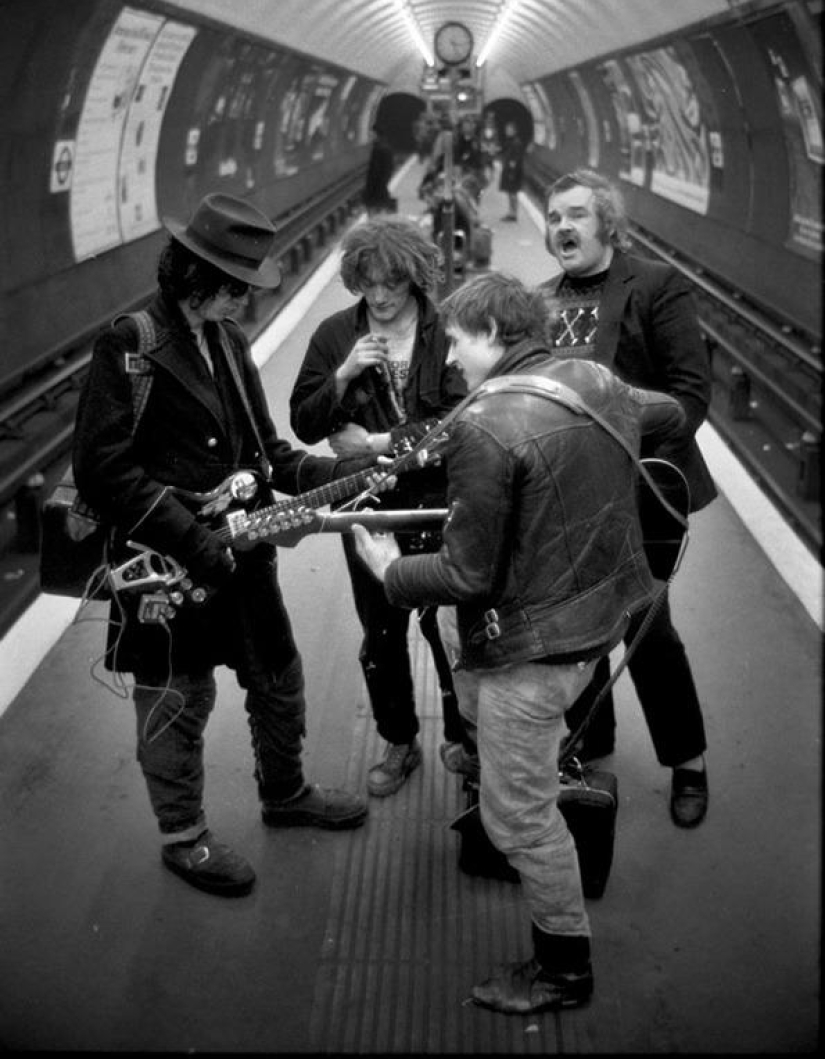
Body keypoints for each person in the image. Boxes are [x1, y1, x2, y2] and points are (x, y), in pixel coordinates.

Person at [352, 272, 685, 1014]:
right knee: (454, 646)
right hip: (596, 622)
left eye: (460, 341)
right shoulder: (595, 379)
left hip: (529, 654)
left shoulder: (483, 422)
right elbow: (665, 416)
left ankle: (563, 968)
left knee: (518, 819)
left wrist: (388, 568)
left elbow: (466, 574)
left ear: (496, 337)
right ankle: (489, 747)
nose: (449, 361)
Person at [72, 193, 372, 899]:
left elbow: (263, 451)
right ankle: (184, 836)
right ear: (194, 275)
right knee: (177, 697)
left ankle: (285, 790)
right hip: (167, 566)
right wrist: (199, 545)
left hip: (241, 554)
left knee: (278, 675)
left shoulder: (228, 342)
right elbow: (104, 470)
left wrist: (335, 474)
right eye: (236, 285)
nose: (244, 299)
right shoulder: (131, 344)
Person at [540, 167, 716, 828]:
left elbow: (689, 395)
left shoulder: (655, 286)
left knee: (647, 630)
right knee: (577, 623)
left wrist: (613, 425)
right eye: (555, 215)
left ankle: (688, 760)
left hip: (643, 489)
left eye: (576, 214)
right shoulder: (539, 301)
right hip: (566, 498)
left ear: (606, 223)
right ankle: (593, 732)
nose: (562, 226)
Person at [289, 216, 469, 797]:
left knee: (451, 628)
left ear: (415, 277)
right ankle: (399, 740)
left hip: (441, 505)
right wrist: (342, 376)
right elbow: (304, 422)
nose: (382, 296)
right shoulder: (336, 336)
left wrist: (376, 443)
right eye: (369, 284)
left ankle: (466, 739)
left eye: (393, 282)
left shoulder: (447, 333)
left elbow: (461, 423)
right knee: (381, 634)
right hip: (367, 507)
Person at [363, 122, 396, 214]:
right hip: (382, 192)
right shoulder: (387, 147)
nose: (370, 135)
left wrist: (368, 193)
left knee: (374, 218)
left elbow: (374, 173)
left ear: (376, 134)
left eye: (371, 133)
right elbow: (389, 170)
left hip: (375, 193)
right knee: (380, 217)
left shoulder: (377, 149)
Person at [498, 120, 525, 221]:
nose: (507, 131)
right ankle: (511, 212)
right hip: (510, 171)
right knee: (510, 193)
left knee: (513, 193)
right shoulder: (510, 142)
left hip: (513, 172)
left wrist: (512, 173)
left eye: (509, 130)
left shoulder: (516, 143)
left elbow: (515, 159)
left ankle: (513, 214)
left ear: (514, 131)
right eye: (506, 129)